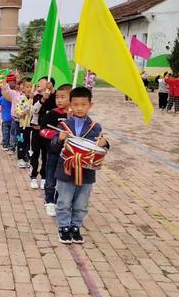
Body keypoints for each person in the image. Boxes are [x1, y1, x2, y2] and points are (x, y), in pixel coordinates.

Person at [51, 87, 109, 244]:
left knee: (81, 202)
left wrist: (105, 143)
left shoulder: (95, 126)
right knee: (64, 200)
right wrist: (59, 139)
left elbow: (100, 148)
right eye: (75, 104)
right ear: (70, 104)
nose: (79, 108)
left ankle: (75, 226)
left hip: (86, 172)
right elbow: (54, 148)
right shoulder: (64, 125)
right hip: (66, 170)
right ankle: (63, 227)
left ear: (90, 105)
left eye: (83, 104)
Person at [40, 84, 72, 217]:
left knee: (63, 180)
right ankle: (49, 201)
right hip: (53, 152)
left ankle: (60, 200)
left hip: (68, 156)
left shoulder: (74, 116)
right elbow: (42, 130)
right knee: (50, 177)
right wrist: (57, 136)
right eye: (57, 97)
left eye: (63, 97)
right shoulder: (52, 113)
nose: (59, 100)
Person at [15, 77, 33, 168]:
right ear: (23, 88)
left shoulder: (33, 99)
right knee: (21, 141)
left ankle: (28, 158)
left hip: (31, 125)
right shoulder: (21, 99)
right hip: (22, 125)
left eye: (31, 87)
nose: (29, 89)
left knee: (29, 143)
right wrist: (23, 113)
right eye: (27, 87)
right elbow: (17, 111)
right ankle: (20, 159)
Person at [0, 81, 13, 151]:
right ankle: (12, 145)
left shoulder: (3, 98)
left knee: (5, 132)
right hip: (13, 119)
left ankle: (5, 144)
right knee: (12, 133)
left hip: (5, 119)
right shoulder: (13, 97)